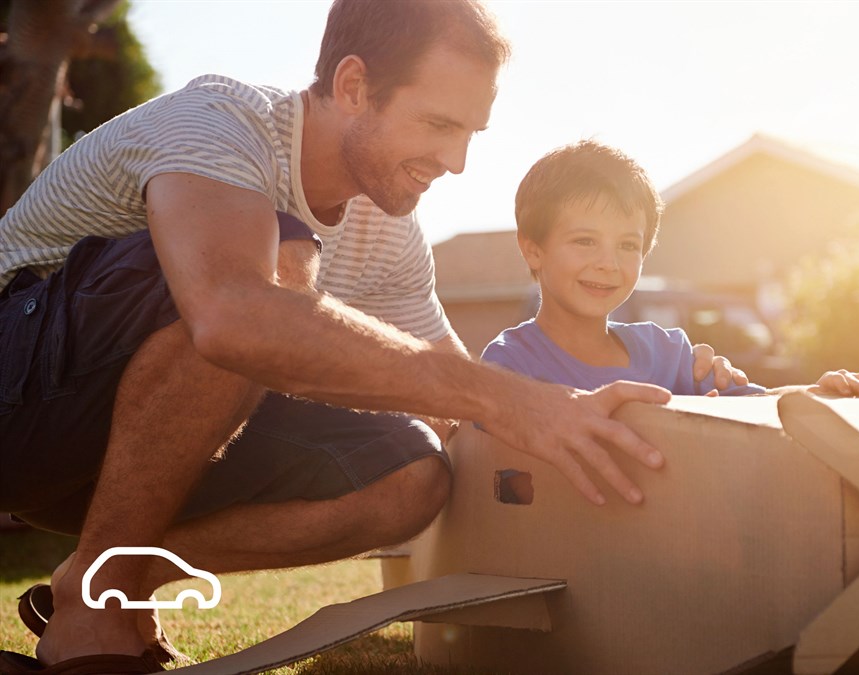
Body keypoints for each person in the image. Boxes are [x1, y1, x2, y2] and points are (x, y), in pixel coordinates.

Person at [0, 2, 740, 672]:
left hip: (114, 456)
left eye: (471, 133)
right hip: (17, 397)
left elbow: (456, 396)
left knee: (412, 468)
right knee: (271, 270)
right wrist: (506, 396)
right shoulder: (219, 123)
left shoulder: (387, 229)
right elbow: (232, 312)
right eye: (440, 125)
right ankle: (91, 619)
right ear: (353, 85)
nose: (457, 162)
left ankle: (106, 575)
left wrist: (596, 414)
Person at [482, 140, 859, 398]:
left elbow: (760, 408)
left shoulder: (668, 352)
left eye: (628, 245)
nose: (608, 263)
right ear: (533, 250)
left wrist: (815, 394)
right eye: (585, 241)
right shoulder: (510, 366)